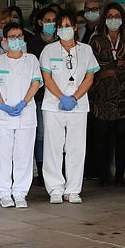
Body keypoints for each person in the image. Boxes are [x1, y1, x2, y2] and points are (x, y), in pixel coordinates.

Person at [40, 10, 98, 204]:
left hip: (78, 105)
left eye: (67, 26)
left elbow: (89, 77)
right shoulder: (49, 50)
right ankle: (55, 189)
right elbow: (47, 78)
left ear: (75, 27)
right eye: (60, 26)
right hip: (53, 105)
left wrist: (74, 98)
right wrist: (61, 97)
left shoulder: (86, 50)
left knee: (76, 148)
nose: (64, 29)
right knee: (53, 147)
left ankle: (73, 189)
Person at [0, 22, 41, 208]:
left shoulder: (31, 60)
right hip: (3, 115)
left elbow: (35, 83)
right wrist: (2, 105)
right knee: (3, 155)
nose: (16, 40)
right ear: (5, 40)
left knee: (23, 155)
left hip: (25, 114)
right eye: (12, 37)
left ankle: (20, 193)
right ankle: (4, 193)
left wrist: (24, 102)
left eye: (19, 36)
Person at [89, 2, 125, 186]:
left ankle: (120, 176)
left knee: (123, 135)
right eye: (110, 16)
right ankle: (103, 175)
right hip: (101, 96)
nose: (113, 19)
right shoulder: (96, 40)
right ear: (104, 19)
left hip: (124, 95)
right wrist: (114, 67)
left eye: (117, 16)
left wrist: (110, 69)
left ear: (122, 19)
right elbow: (92, 68)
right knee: (102, 136)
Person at [26, 7, 58, 185]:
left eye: (54, 21)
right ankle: (41, 169)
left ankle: (56, 169)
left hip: (59, 94)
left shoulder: (63, 41)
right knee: (41, 134)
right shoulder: (32, 43)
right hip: (39, 94)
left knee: (56, 134)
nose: (51, 24)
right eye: (47, 20)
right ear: (40, 22)